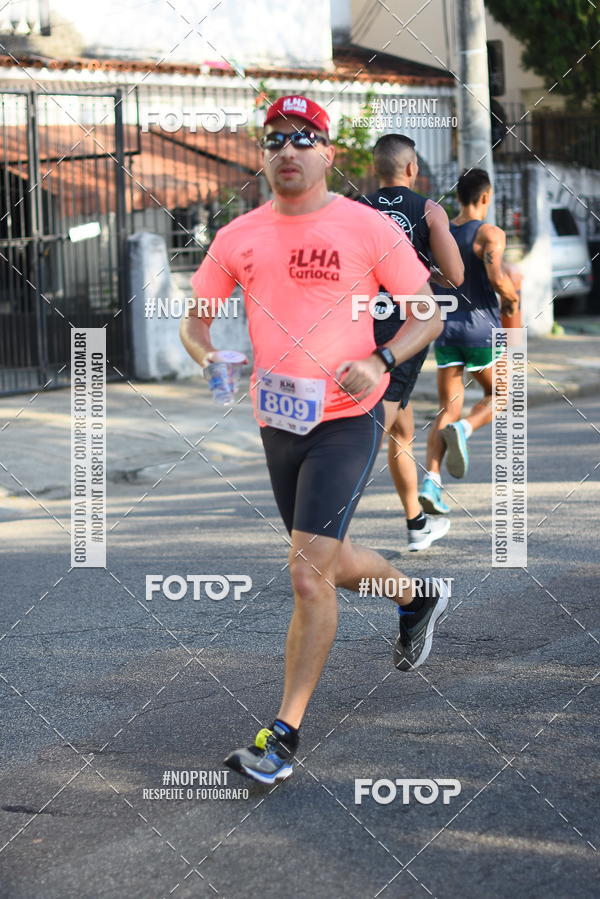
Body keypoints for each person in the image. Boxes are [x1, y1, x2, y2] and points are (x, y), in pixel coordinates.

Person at [181, 95, 447, 786]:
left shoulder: (366, 226)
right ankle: (415, 595)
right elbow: (196, 319)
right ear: (263, 154)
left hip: (349, 414)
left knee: (306, 571)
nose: (288, 150)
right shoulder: (238, 235)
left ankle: (282, 736)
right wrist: (208, 355)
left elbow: (426, 315)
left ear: (328, 153)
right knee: (322, 557)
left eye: (303, 138)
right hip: (278, 419)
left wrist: (383, 359)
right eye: (275, 139)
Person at [358, 134, 464, 551]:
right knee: (371, 431)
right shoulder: (429, 210)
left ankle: (416, 522)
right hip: (405, 331)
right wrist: (426, 274)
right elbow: (455, 275)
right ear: (411, 168)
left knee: (402, 427)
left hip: (359, 324)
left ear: (376, 168)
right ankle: (324, 522)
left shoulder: (355, 209)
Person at [420, 168, 520, 513]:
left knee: (447, 407)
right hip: (481, 331)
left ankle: (431, 483)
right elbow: (497, 279)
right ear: (486, 197)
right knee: (501, 395)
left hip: (445, 330)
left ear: (459, 196)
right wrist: (512, 298)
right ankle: (465, 428)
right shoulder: (489, 233)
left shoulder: (441, 233)